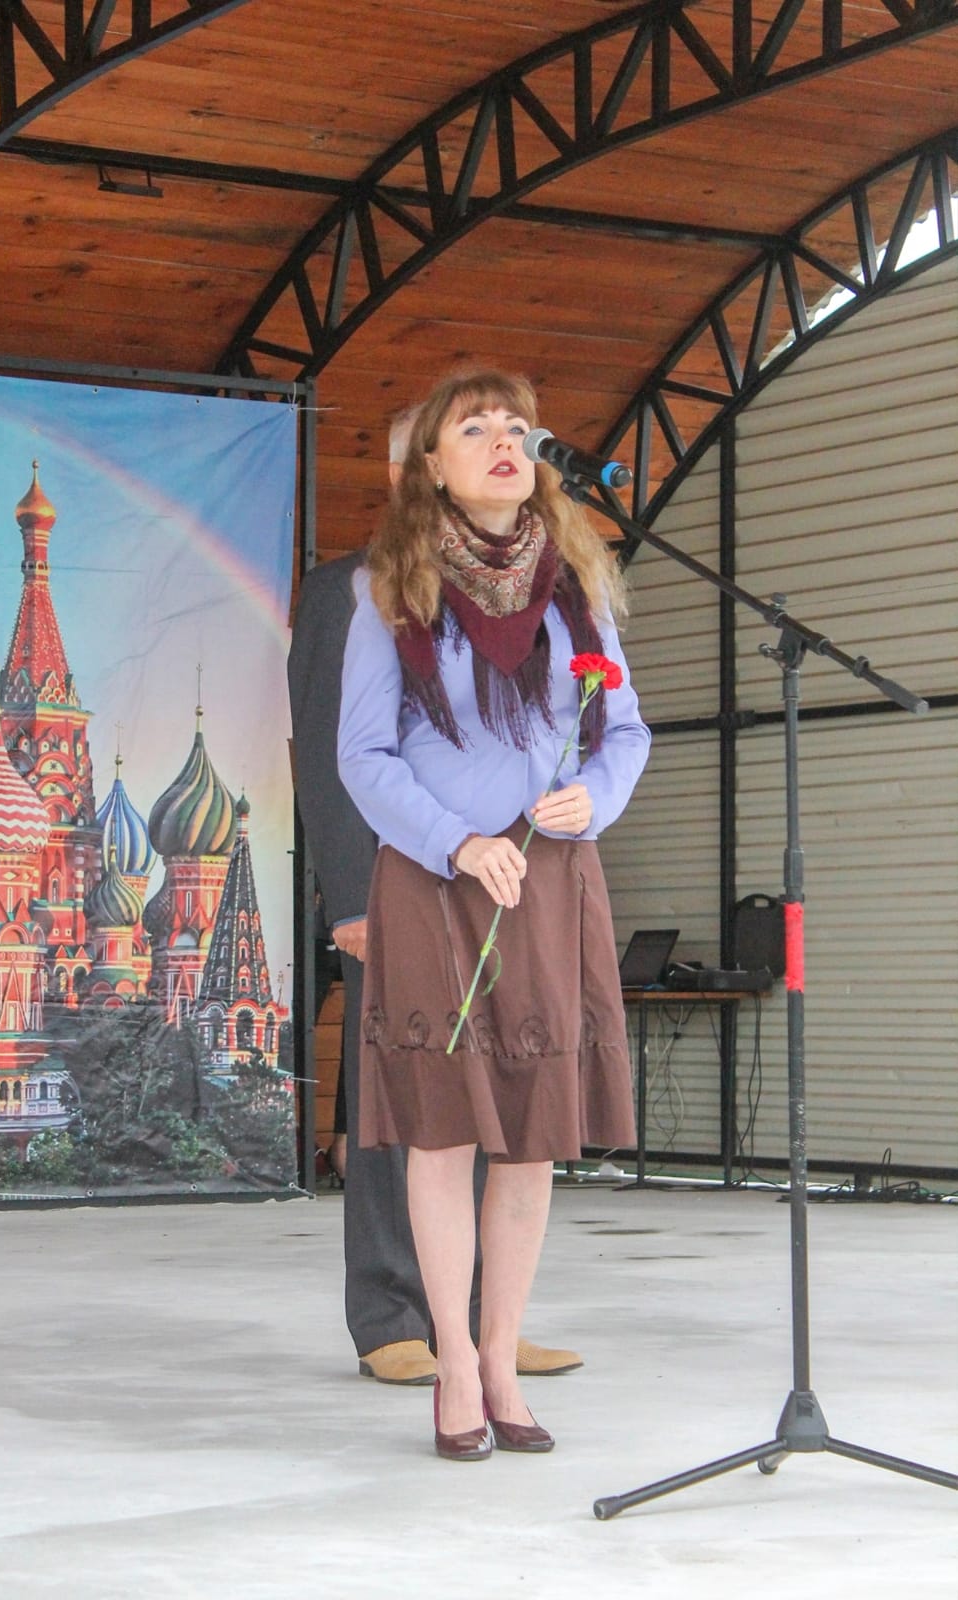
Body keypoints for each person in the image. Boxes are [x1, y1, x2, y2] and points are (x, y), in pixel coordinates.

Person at [337, 369, 650, 1459]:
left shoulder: (579, 586)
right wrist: (456, 841)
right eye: (474, 427)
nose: (504, 440)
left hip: (554, 879)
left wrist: (593, 798)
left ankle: (505, 1354)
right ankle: (453, 1364)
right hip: (436, 881)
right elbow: (361, 755)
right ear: (431, 467)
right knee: (445, 1129)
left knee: (529, 1143)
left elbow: (627, 734)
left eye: (517, 425)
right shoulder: (390, 590)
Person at [287, 406, 584, 1387]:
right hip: (397, 882)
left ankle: (485, 1323)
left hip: (503, 888)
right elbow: (332, 763)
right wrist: (346, 900)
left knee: (499, 1091)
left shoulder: (521, 593)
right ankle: (389, 1314)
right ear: (407, 468)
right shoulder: (350, 591)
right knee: (396, 1100)